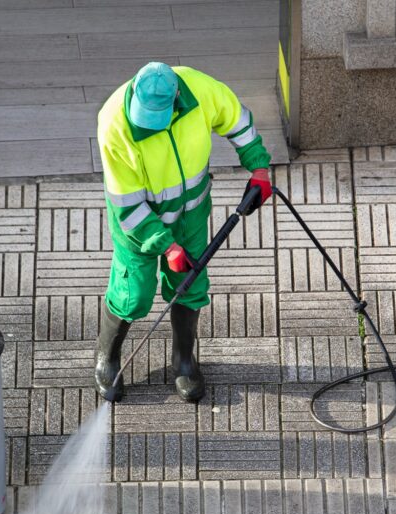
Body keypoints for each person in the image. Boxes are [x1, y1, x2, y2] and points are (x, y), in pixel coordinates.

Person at [94, 62, 272, 403]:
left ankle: (184, 360)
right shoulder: (115, 124)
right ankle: (108, 357)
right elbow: (127, 204)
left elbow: (238, 121)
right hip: (139, 226)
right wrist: (165, 245)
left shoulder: (200, 90)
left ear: (177, 99)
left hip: (191, 215)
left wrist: (258, 166)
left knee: (190, 286)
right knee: (134, 292)